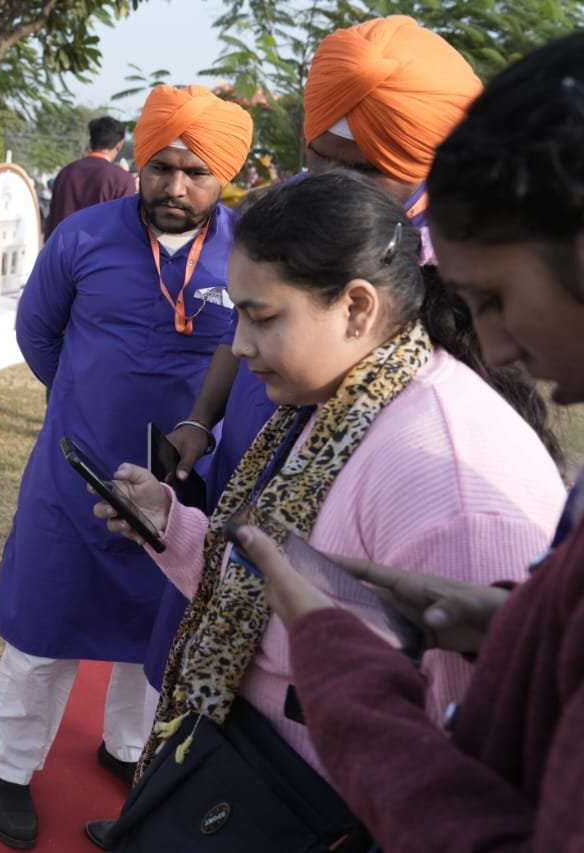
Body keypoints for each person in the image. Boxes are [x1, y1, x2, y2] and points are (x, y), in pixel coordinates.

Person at [87, 172, 564, 850]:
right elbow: (267, 593)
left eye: (262, 317)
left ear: (356, 307)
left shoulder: (453, 489)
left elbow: (470, 761)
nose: (240, 346)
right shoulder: (343, 400)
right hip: (245, 783)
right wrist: (169, 523)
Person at [235, 30, 584, 851]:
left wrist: (338, 663)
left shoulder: (456, 477)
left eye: (495, 298)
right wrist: (515, 628)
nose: (492, 347)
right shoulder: (357, 399)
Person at [0, 84, 252, 849]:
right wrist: (85, 402)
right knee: (42, 627)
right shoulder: (83, 236)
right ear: (139, 161)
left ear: (224, 176)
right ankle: (10, 768)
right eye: (161, 166)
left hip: (181, 484)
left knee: (154, 632)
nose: (175, 186)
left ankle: (126, 748)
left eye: (195, 172)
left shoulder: (251, 251)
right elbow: (38, 333)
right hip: (75, 472)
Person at [166, 16, 557, 511]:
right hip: (250, 450)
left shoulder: (464, 252)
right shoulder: (292, 204)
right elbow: (235, 329)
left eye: (365, 169)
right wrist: (201, 420)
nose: (334, 182)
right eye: (320, 157)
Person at [44, 116, 135, 235]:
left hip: (62, 245)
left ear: (90, 142)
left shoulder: (65, 173)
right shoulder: (122, 179)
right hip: (101, 247)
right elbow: (126, 229)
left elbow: (52, 221)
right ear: (119, 145)